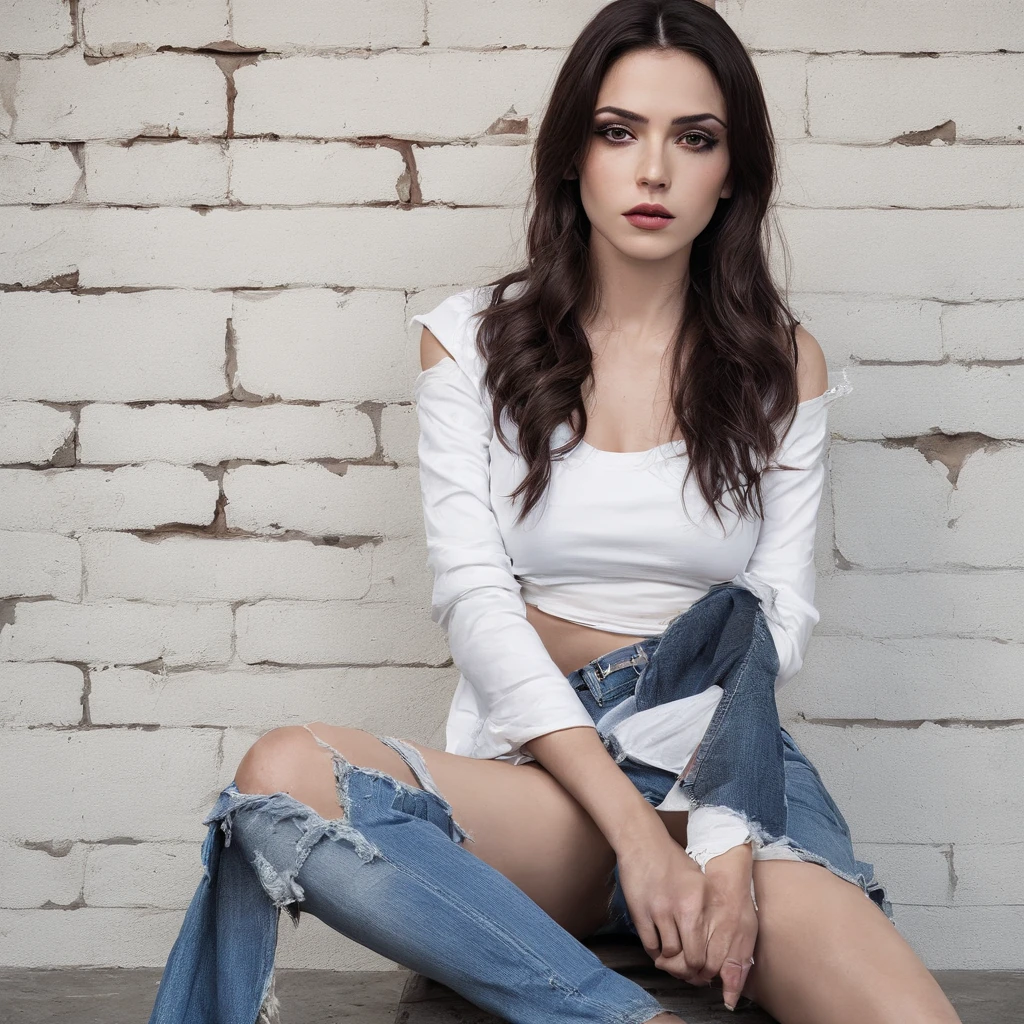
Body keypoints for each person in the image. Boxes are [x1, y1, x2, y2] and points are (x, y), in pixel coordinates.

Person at [148, 3, 964, 1023]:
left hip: (718, 763)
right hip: (548, 772)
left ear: (731, 172)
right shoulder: (470, 342)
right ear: (572, 156)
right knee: (282, 778)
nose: (653, 170)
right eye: (618, 131)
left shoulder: (776, 365)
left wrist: (713, 842)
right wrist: (627, 828)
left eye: (693, 138)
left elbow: (774, 620)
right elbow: (478, 602)